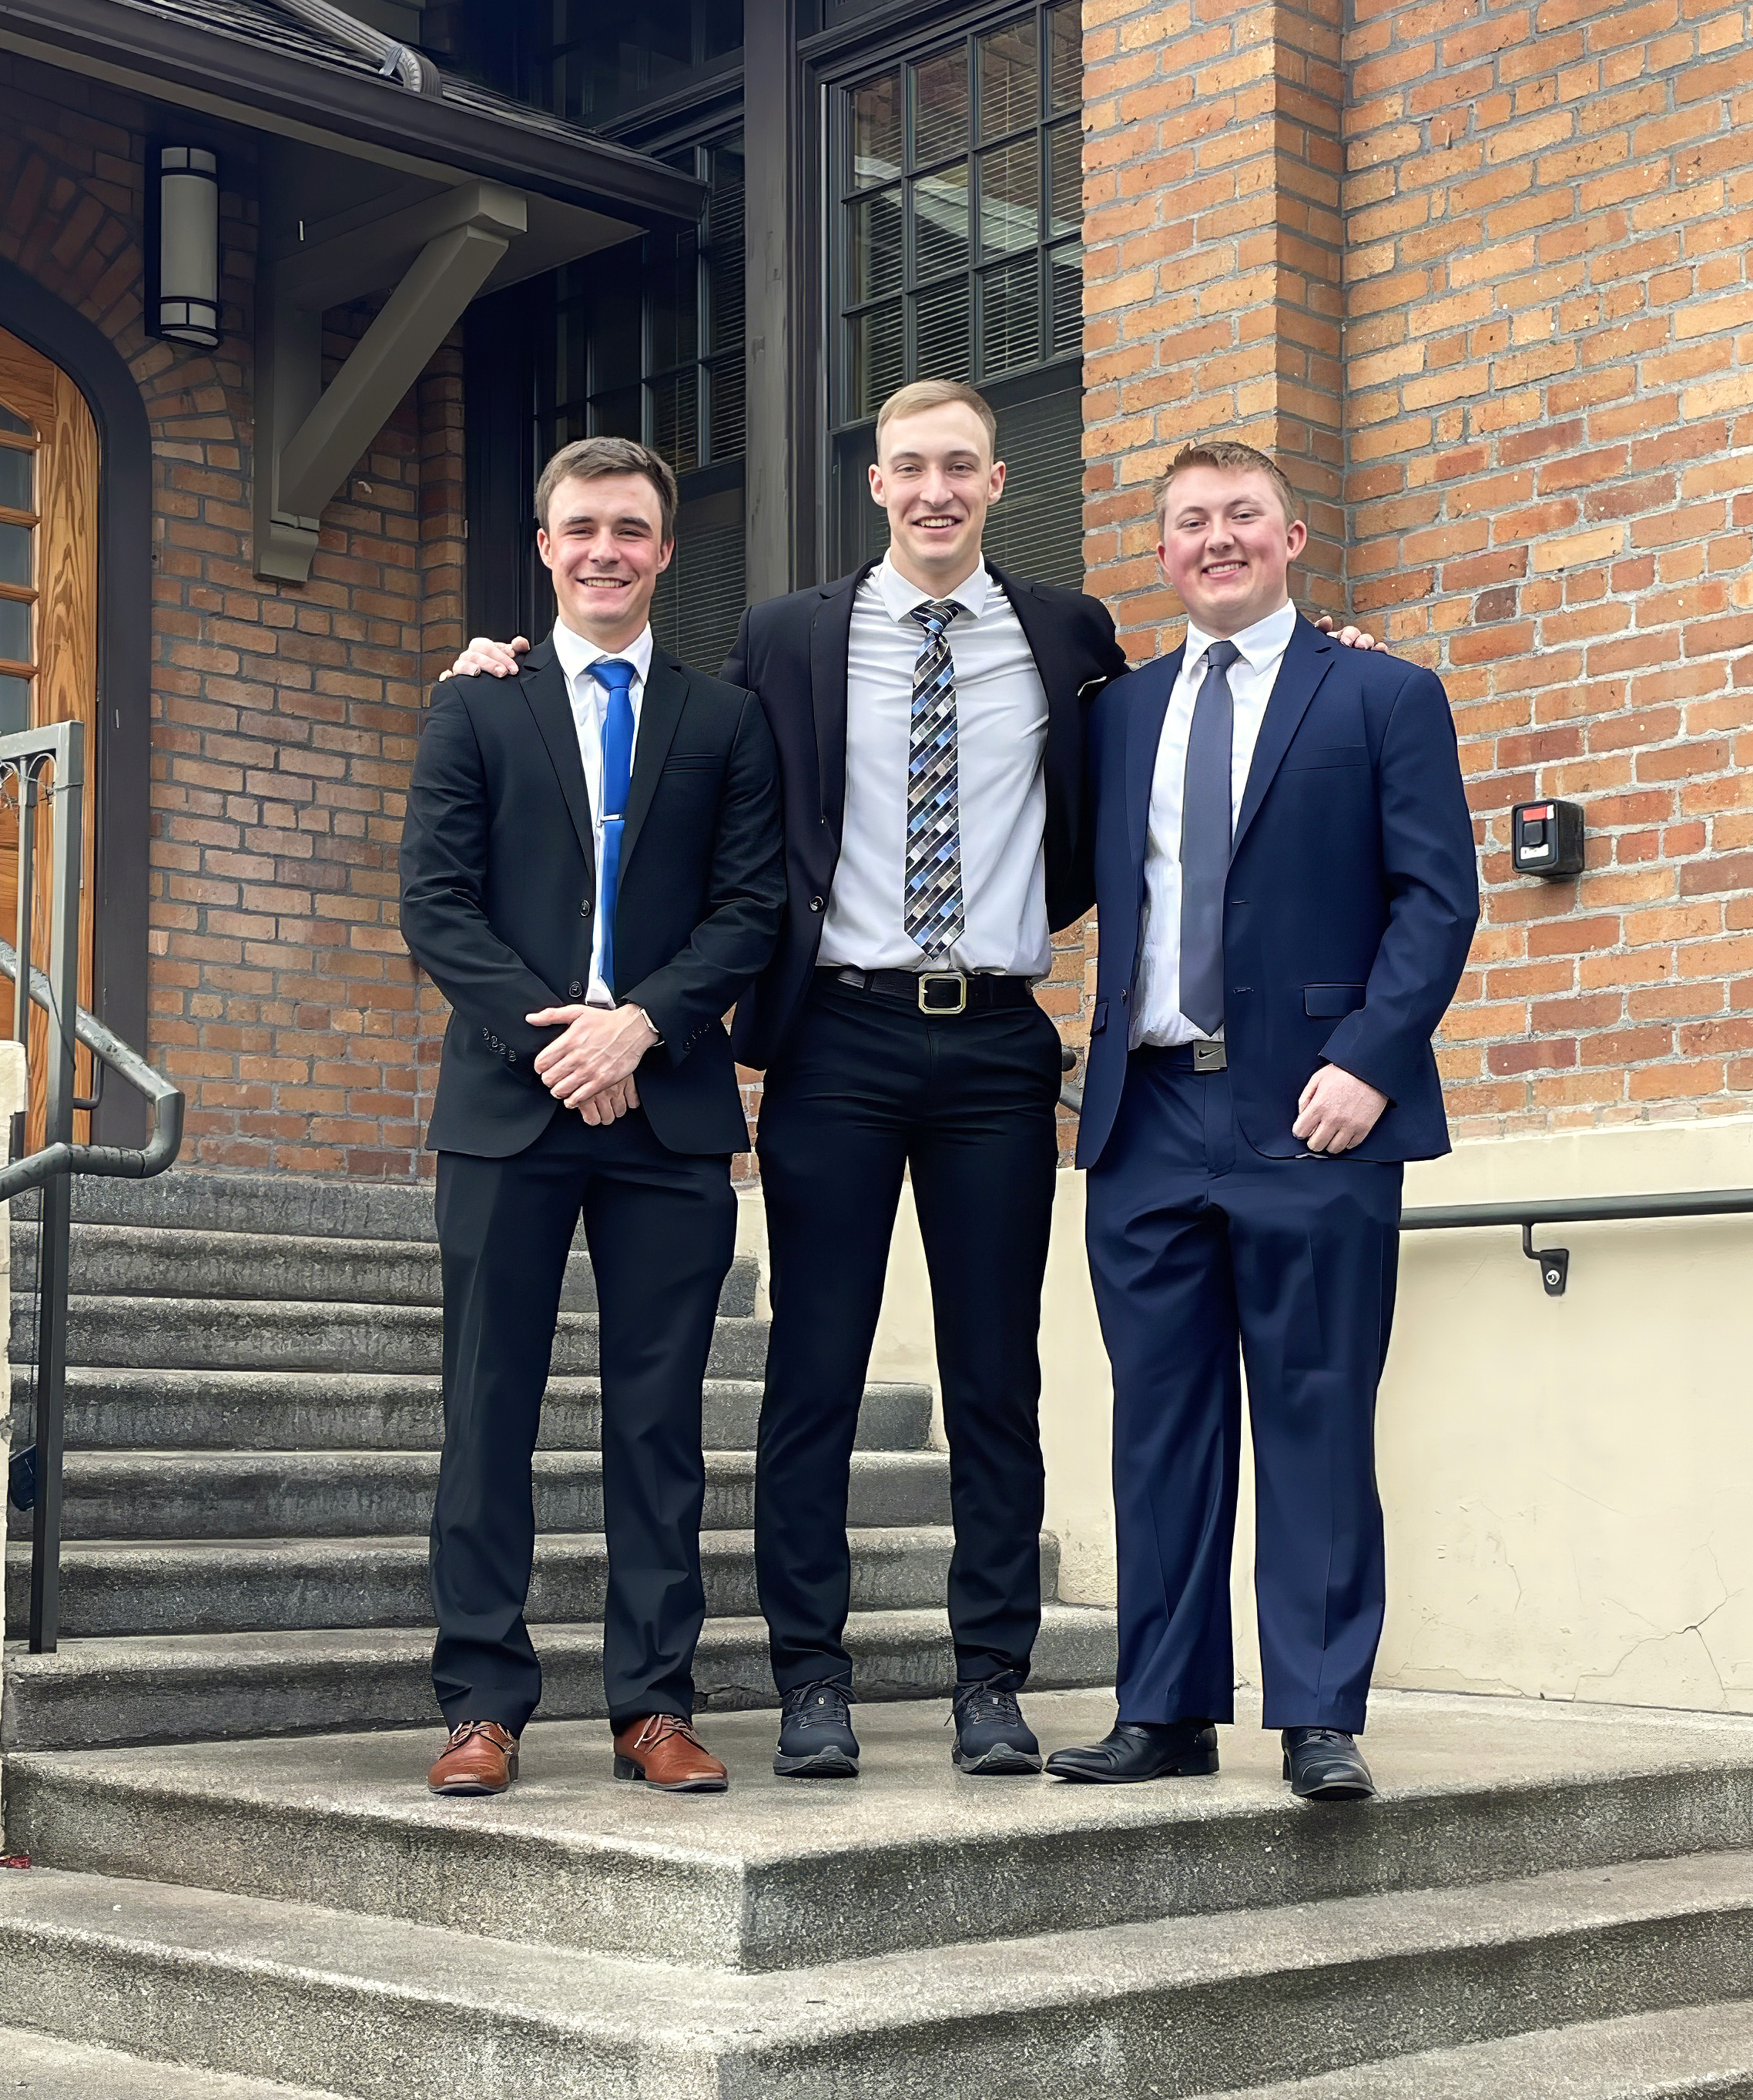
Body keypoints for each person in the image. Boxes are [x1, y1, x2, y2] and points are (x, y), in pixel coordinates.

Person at [441, 383, 1380, 1781]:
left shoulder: (1066, 636)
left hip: (1001, 1041)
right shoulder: (789, 637)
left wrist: (1335, 652)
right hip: (837, 1037)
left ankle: (989, 1677)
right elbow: (710, 800)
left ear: (998, 482)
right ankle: (811, 1677)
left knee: (995, 1375)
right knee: (813, 1370)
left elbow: (1204, 708)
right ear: (872, 485)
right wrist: (501, 663)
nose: (934, 488)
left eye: (960, 466)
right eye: (908, 468)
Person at [1044, 439, 1478, 1800]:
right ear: (1162, 551)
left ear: (1294, 536)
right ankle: (1164, 1707)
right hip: (1150, 1115)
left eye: (1243, 516)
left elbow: (1437, 897)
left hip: (1315, 1112)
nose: (1216, 538)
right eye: (1190, 522)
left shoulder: (1385, 693)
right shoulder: (1119, 715)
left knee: (1316, 1408)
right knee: (1158, 1421)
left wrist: (1369, 1060)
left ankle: (1318, 1711)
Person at [400, 434, 783, 1799]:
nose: (606, 549)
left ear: (667, 549)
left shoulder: (725, 721)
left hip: (667, 1107)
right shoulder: (475, 708)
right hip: (512, 1102)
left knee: (659, 1418)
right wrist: (559, 1037)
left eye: (631, 527)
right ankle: (482, 1701)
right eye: (581, 529)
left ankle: (653, 1702)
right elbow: (435, 904)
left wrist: (644, 1026)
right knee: (487, 1406)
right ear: (545, 548)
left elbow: (753, 907)